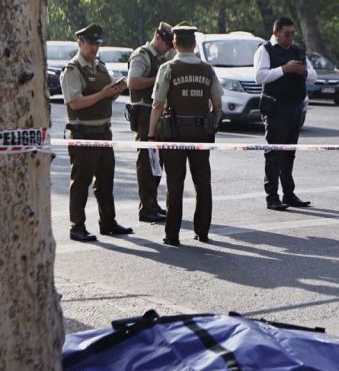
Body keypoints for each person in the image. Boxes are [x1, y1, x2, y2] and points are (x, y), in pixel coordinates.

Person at [148, 23, 223, 247]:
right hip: (201, 134)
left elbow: (157, 105)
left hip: (174, 135)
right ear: (194, 44)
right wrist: (213, 125)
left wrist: (151, 135)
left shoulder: (168, 69)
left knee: (175, 185)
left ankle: (172, 235)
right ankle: (202, 231)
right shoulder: (208, 69)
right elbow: (218, 104)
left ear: (174, 44)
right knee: (203, 183)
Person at [60, 24, 133, 242]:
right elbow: (75, 103)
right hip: (83, 133)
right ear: (80, 43)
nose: (94, 48)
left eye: (97, 44)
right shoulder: (72, 70)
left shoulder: (100, 67)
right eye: (91, 44)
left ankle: (108, 222)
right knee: (81, 182)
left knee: (105, 181)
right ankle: (77, 226)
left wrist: (114, 92)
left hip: (103, 132)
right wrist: (103, 94)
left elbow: (105, 96)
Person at [253, 17, 317, 210]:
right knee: (274, 154)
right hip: (275, 108)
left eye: (292, 33)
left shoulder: (298, 50)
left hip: (295, 107)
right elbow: (259, 76)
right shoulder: (265, 50)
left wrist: (302, 72)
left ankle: (289, 193)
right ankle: (272, 196)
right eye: (286, 34)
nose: (290, 37)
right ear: (276, 33)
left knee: (289, 153)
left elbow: (314, 77)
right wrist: (284, 69)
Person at [127, 21, 174, 224]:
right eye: (167, 45)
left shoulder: (163, 57)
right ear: (158, 37)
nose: (169, 50)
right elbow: (133, 82)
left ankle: (152, 203)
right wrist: (158, 79)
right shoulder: (142, 55)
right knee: (146, 163)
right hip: (144, 113)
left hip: (158, 114)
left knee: (157, 163)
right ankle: (146, 208)